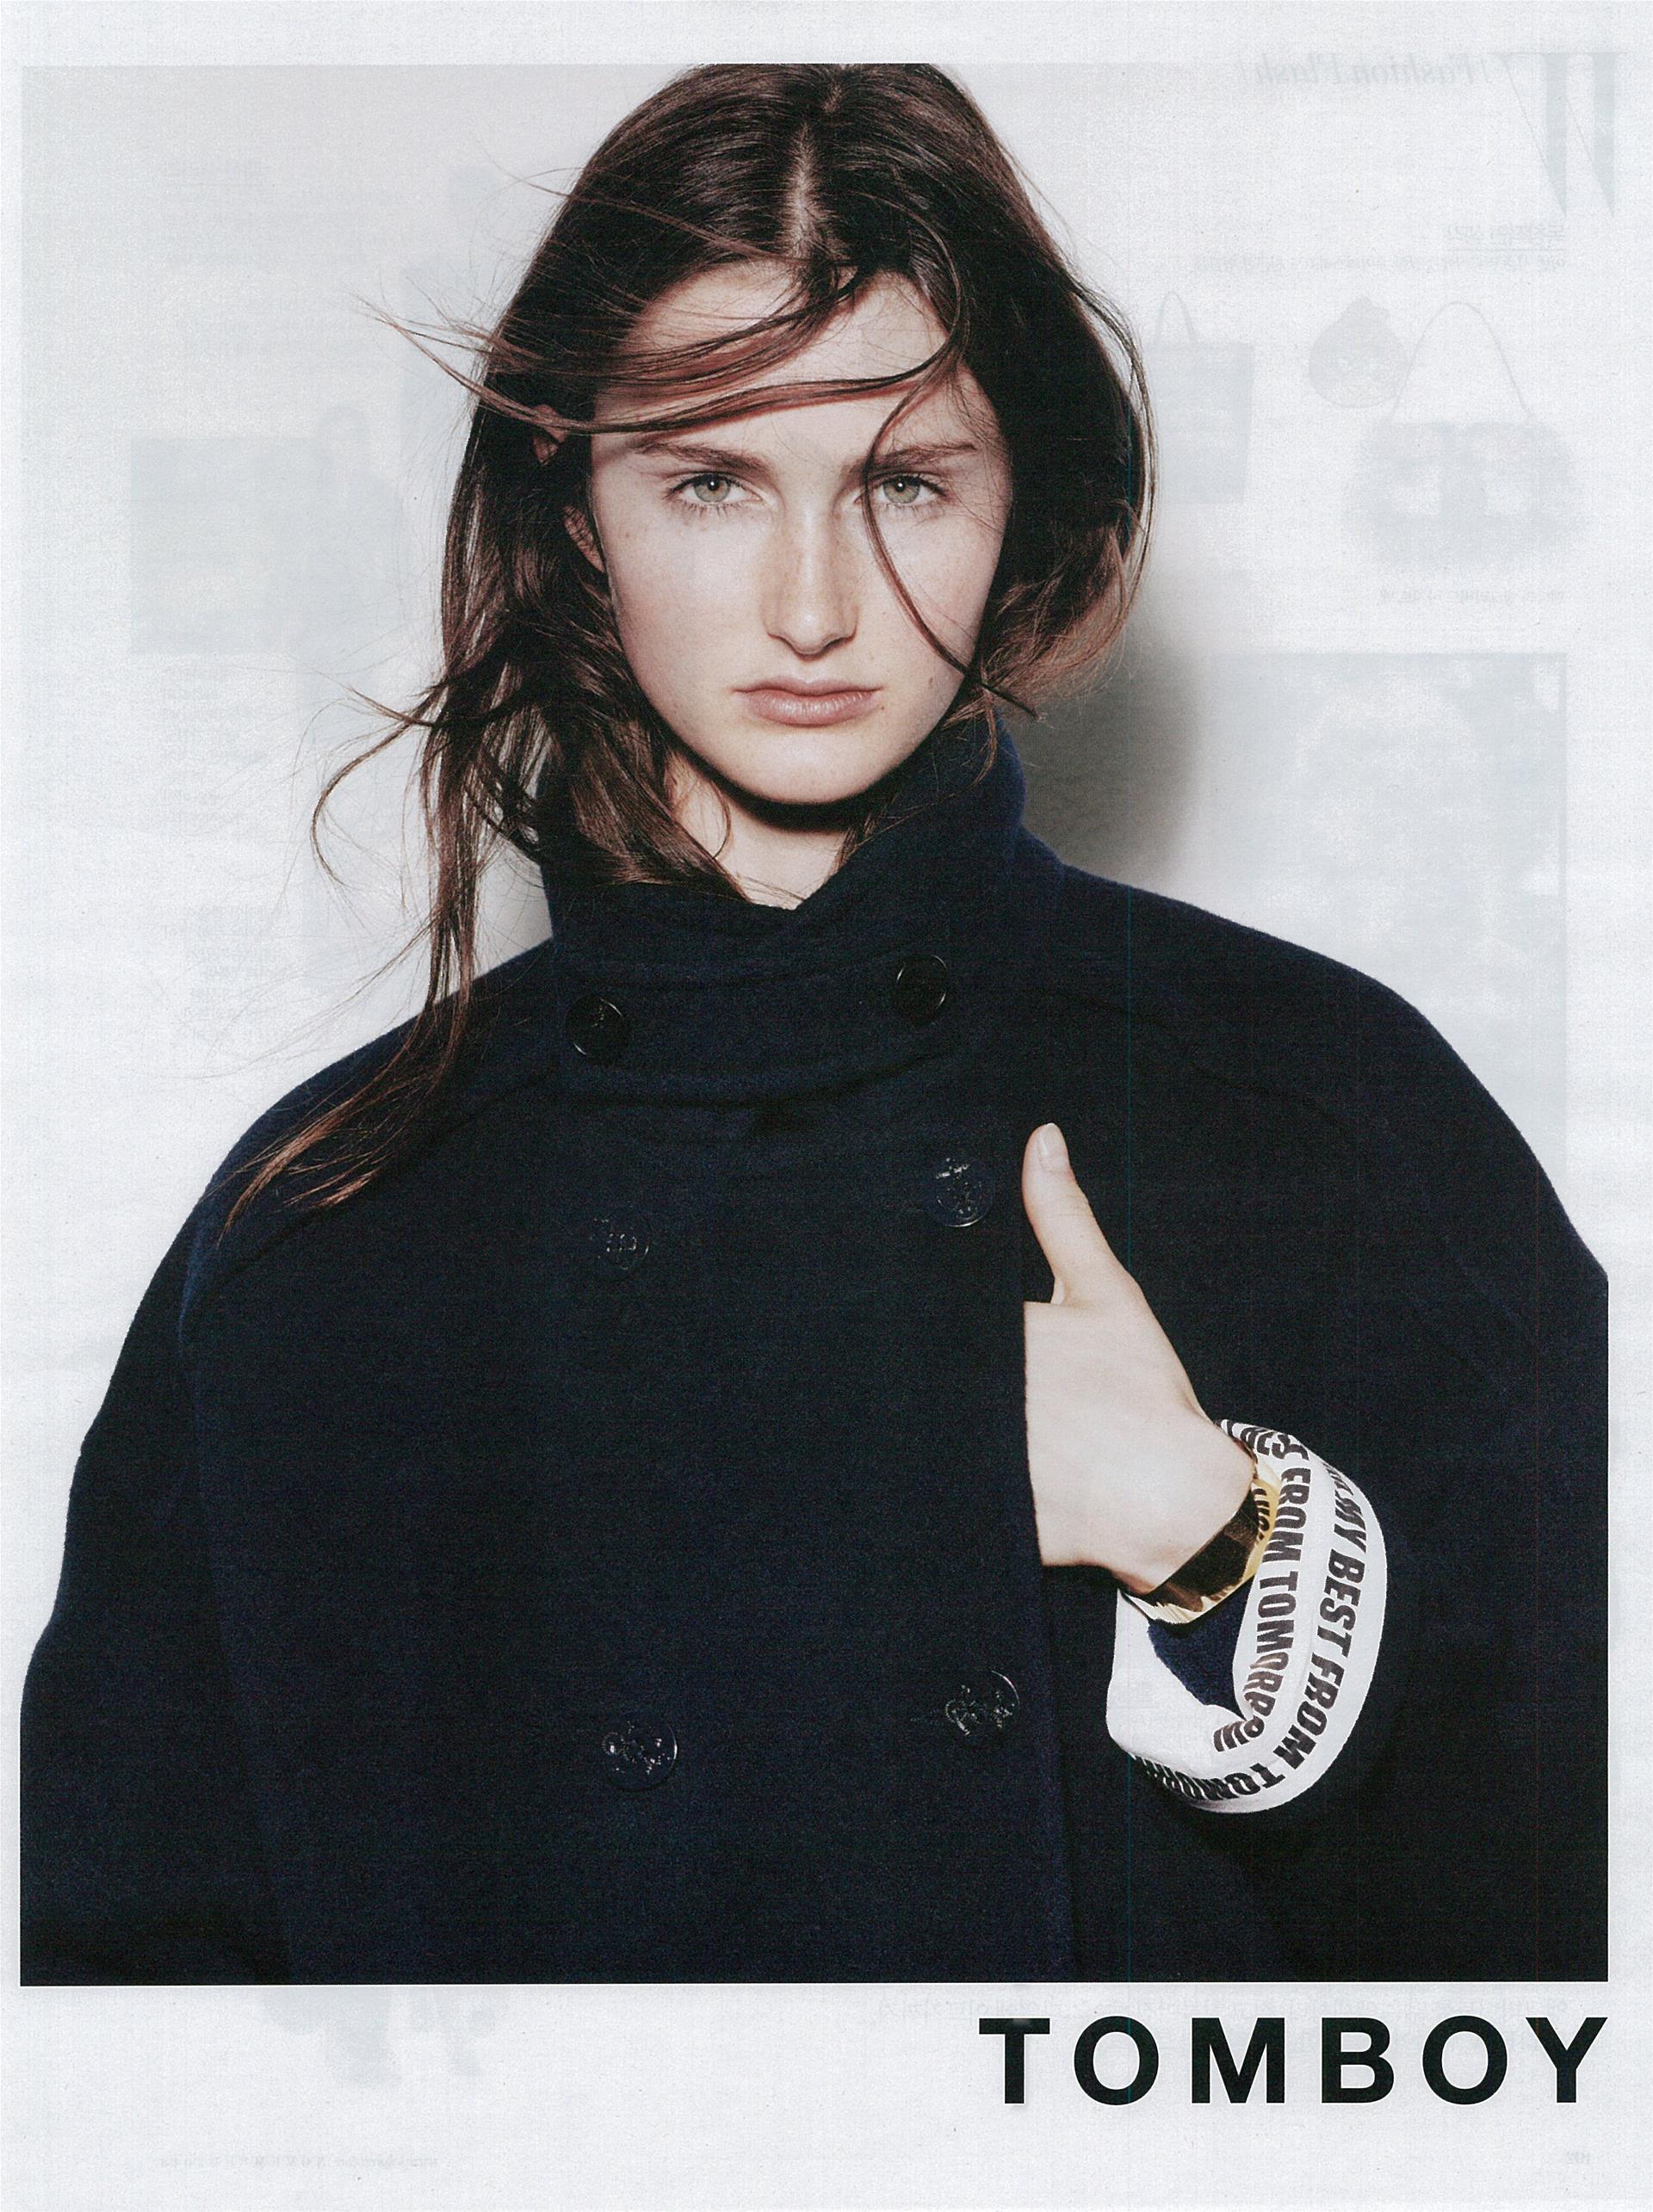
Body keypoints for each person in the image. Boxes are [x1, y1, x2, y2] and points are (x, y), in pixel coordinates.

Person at [21, 64, 1605, 1984]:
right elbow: (127, 2047)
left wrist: (1218, 1553)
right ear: (578, 511)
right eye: (711, 480)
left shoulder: (1319, 1117)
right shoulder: (326, 1239)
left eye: (906, 482)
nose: (812, 604)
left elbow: (1583, 1987)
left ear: (1021, 506)